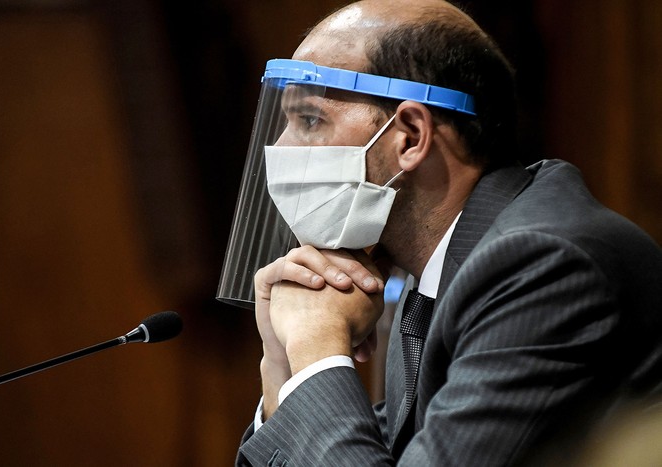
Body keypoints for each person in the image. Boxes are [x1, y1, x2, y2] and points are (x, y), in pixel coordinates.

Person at [232, 0, 662, 465]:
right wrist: (282, 367)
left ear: (412, 136)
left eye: (309, 119)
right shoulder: (429, 274)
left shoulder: (543, 264)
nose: (281, 147)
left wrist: (316, 346)